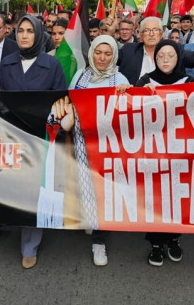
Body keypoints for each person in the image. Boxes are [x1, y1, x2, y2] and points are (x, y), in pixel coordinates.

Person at [0, 14, 66, 269]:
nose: (24, 35)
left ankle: (30, 245)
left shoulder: (52, 65)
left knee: (33, 193)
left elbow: (61, 104)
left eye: (30, 31)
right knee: (14, 190)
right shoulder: (6, 63)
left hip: (40, 140)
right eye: (20, 31)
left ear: (39, 35)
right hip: (11, 138)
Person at [63, 34, 129, 266]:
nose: (102, 58)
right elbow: (69, 102)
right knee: (84, 185)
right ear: (91, 53)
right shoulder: (80, 76)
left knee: (103, 192)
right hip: (81, 141)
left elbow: (128, 111)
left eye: (107, 54)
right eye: (98, 53)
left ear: (114, 55)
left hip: (107, 146)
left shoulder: (119, 78)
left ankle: (99, 243)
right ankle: (91, 220)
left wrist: (127, 92)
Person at [129, 39, 194, 267]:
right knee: (155, 199)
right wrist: (135, 93)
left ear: (178, 58)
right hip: (153, 152)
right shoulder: (146, 81)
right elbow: (129, 107)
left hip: (179, 153)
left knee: (176, 199)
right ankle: (155, 244)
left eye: (170, 56)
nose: (165, 60)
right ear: (154, 59)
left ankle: (174, 239)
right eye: (160, 56)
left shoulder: (190, 81)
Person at [118, 16, 194, 85]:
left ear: (162, 34)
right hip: (136, 104)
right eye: (146, 30)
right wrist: (108, 32)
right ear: (141, 35)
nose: (151, 34)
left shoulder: (174, 50)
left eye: (155, 30)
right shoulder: (128, 51)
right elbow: (106, 59)